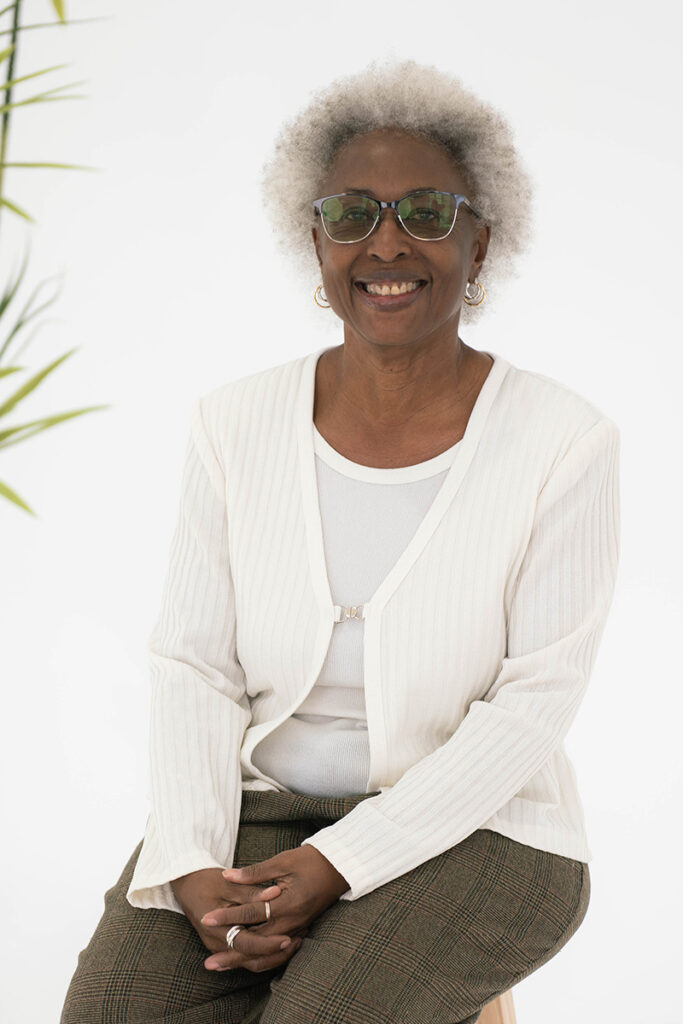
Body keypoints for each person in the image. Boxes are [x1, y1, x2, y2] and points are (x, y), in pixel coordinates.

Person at [60, 58, 620, 1024]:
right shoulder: (232, 424)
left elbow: (534, 703)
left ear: (480, 244)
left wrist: (338, 864)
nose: (386, 244)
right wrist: (193, 862)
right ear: (315, 244)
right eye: (351, 214)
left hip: (487, 835)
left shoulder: (565, 441)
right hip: (260, 813)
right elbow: (192, 663)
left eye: (428, 214)